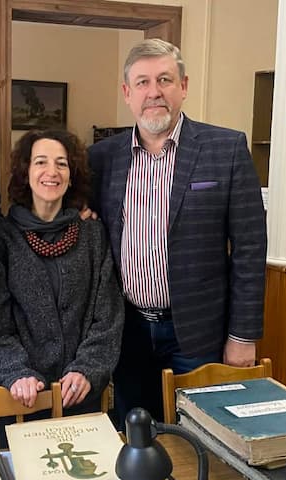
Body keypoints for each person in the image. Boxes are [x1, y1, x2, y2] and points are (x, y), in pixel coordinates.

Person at [88, 38, 267, 425]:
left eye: (164, 80)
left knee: (206, 434)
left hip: (200, 333)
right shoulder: (102, 158)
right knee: (137, 435)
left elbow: (251, 248)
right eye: (142, 82)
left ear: (183, 87)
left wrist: (243, 335)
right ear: (127, 93)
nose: (154, 92)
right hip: (129, 331)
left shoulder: (226, 148)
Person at [0, 129, 123, 416]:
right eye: (40, 162)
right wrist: (16, 371)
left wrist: (87, 369)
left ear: (71, 176)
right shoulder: (3, 237)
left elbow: (108, 316)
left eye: (61, 164)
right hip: (21, 396)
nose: (52, 172)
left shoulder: (93, 235)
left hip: (81, 395)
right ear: (26, 173)